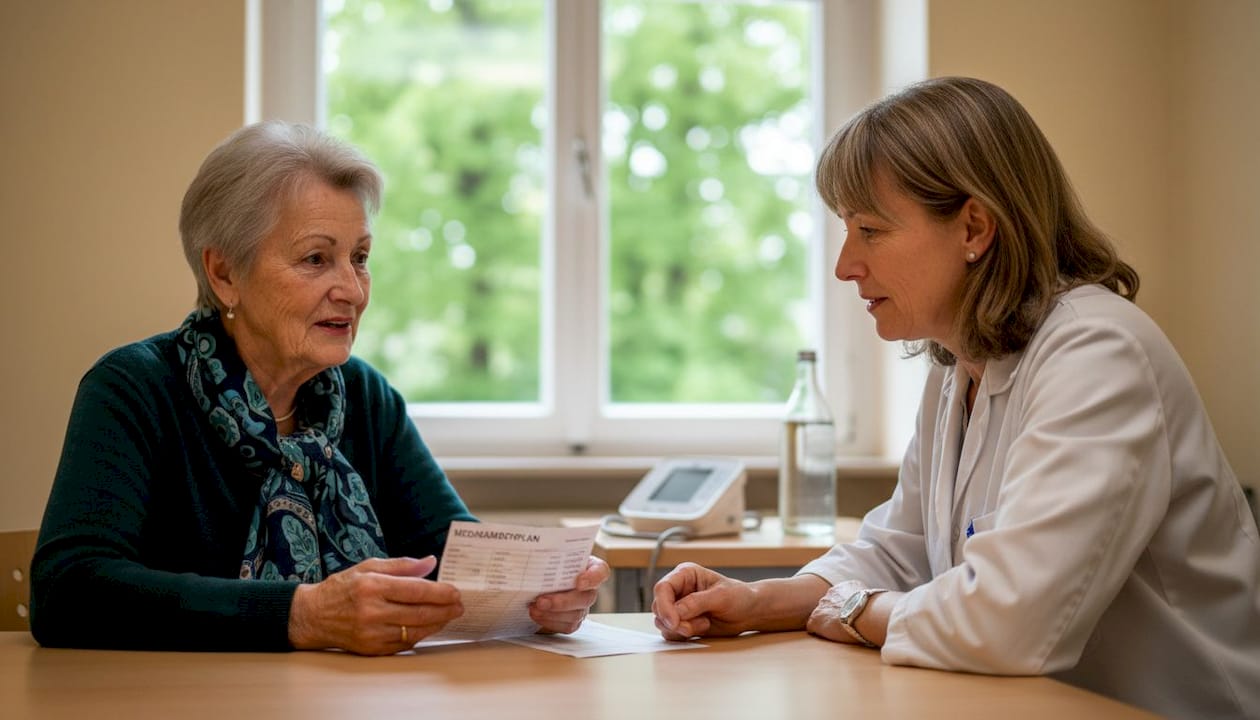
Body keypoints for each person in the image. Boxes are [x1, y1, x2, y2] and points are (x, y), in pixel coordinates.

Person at [651, 77, 1260, 719]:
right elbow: (904, 545)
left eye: (870, 230)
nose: (844, 265)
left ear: (973, 227)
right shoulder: (957, 364)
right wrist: (762, 603)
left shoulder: (1097, 352)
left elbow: (1009, 620)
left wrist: (854, 609)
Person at [31, 121, 608, 655]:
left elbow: (451, 560)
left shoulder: (362, 396)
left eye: (359, 258)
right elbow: (69, 589)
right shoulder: (135, 386)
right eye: (315, 259)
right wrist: (301, 613)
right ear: (224, 273)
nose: (353, 291)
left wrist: (538, 593)